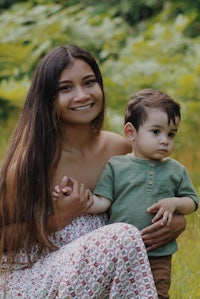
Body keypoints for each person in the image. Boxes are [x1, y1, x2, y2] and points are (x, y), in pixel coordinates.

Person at [0, 45, 183, 299]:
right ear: (47, 97)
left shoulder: (118, 149)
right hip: (29, 280)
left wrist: (176, 222)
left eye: (89, 82)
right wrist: (58, 218)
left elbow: (145, 200)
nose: (82, 95)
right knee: (122, 236)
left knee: (123, 238)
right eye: (66, 88)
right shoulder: (30, 164)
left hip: (91, 277)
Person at [88, 89, 199, 299]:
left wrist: (174, 203)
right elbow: (103, 202)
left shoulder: (175, 170)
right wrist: (85, 203)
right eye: (156, 132)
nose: (165, 140)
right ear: (131, 132)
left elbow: (192, 202)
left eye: (171, 133)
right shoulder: (117, 166)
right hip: (122, 254)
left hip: (158, 255)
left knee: (157, 293)